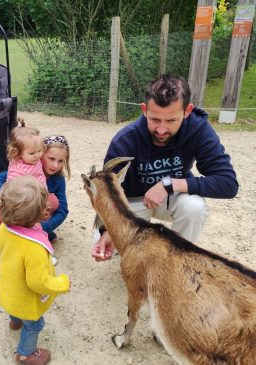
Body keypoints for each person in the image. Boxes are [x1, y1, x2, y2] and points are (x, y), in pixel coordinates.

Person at [92, 73, 239, 262]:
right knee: (109, 250)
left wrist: (168, 184)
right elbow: (107, 193)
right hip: (133, 202)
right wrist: (108, 229)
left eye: (171, 121)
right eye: (155, 119)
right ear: (144, 110)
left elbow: (228, 184)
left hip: (172, 197)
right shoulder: (124, 140)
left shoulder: (198, 130)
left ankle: (173, 262)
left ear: (187, 111)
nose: (161, 130)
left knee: (194, 207)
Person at [0, 175, 71, 365]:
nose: (48, 207)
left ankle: (15, 321)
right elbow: (38, 283)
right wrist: (62, 283)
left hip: (7, 288)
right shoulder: (33, 246)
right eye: (43, 205)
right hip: (25, 300)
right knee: (36, 325)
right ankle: (25, 355)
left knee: (15, 307)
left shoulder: (4, 228)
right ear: (32, 217)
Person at [0, 133, 71, 255]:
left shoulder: (58, 179)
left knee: (53, 202)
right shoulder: (25, 168)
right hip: (14, 206)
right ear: (40, 154)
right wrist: (9, 197)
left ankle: (36, 229)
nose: (55, 165)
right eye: (51, 158)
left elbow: (63, 210)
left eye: (60, 161)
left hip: (34, 211)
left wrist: (45, 227)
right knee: (7, 206)